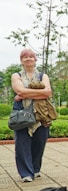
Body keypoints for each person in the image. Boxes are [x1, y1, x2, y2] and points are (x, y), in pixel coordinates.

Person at [10, 48, 53, 182]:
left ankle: (35, 169)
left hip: (41, 112)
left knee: (39, 142)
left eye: (31, 56)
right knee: (22, 143)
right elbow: (18, 89)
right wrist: (38, 93)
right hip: (22, 111)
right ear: (21, 60)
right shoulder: (16, 75)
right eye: (25, 57)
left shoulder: (43, 76)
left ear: (35, 59)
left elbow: (48, 92)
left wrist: (24, 93)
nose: (28, 59)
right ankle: (26, 173)